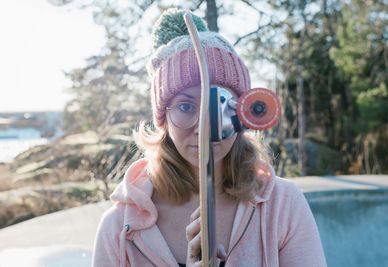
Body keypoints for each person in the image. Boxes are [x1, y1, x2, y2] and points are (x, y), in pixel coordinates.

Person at [92, 8, 327, 267]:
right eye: (185, 106)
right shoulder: (120, 228)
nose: (203, 127)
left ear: (242, 112)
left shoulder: (282, 207)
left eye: (219, 106)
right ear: (163, 119)